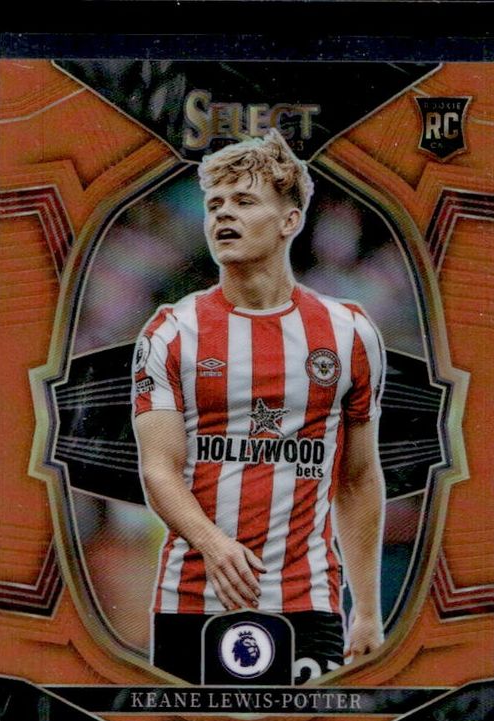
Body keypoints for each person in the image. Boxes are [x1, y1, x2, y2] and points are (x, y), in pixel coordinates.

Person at [132, 129, 386, 684]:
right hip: (191, 601)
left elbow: (359, 477)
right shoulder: (171, 331)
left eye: (244, 201)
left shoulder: (348, 332)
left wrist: (366, 609)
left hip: (307, 602)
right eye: (215, 204)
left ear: (289, 220)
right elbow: (158, 468)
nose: (224, 214)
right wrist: (212, 544)